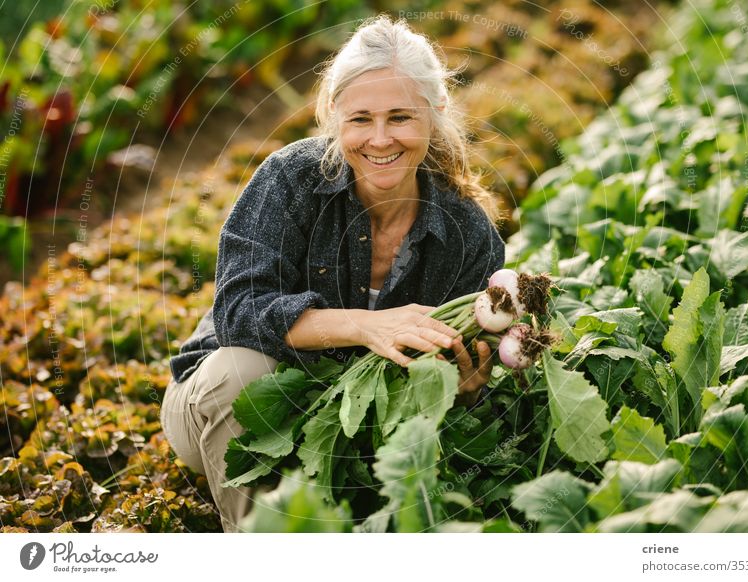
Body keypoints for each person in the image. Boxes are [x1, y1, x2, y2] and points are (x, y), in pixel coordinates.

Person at [160, 15, 506, 533]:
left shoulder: (466, 230)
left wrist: (466, 385)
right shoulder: (289, 180)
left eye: (401, 117)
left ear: (433, 117)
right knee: (241, 374)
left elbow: (455, 374)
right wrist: (367, 325)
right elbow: (238, 312)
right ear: (333, 117)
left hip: (347, 431)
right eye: (361, 119)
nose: (381, 138)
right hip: (228, 413)